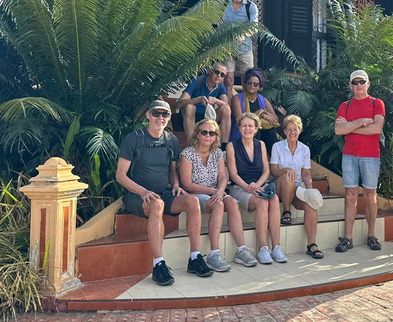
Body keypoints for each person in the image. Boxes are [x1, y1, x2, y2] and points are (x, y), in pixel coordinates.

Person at [115, 100, 213, 285]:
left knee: (192, 202)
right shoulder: (133, 139)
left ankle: (194, 258)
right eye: (156, 114)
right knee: (157, 205)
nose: (160, 118)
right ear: (148, 115)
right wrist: (143, 191)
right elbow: (120, 175)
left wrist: (176, 184)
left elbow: (172, 170)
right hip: (137, 196)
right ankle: (158, 264)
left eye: (165, 114)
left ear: (169, 117)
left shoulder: (171, 140)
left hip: (163, 193)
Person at [179, 118, 258, 272]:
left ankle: (241, 250)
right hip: (195, 194)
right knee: (219, 204)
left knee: (232, 203)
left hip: (215, 192)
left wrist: (221, 189)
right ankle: (214, 253)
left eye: (212, 133)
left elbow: (223, 177)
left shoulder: (216, 153)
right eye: (204, 132)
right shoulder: (188, 153)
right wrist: (213, 191)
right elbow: (187, 184)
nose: (208, 136)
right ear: (197, 135)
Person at [333, 70, 385, 253]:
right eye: (355, 82)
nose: (359, 85)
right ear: (350, 86)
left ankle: (371, 235)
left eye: (362, 82)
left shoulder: (376, 103)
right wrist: (362, 122)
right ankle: (347, 237)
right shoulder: (345, 105)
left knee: (371, 196)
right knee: (350, 196)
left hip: (371, 155)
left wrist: (350, 127)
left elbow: (377, 129)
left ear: (368, 84)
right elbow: (338, 130)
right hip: (349, 155)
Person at [226, 113, 287, 265]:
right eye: (244, 125)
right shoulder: (231, 146)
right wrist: (248, 187)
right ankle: (263, 248)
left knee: (273, 199)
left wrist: (258, 185)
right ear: (239, 128)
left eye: (250, 126)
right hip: (239, 187)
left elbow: (266, 171)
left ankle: (276, 246)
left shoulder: (261, 144)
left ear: (256, 128)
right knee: (262, 202)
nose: (247, 128)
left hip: (259, 185)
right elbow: (233, 174)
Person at [270, 115, 323, 259]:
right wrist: (287, 169)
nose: (292, 132)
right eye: (289, 129)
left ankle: (312, 244)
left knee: (311, 204)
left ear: (300, 130)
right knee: (289, 176)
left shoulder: (305, 149)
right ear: (285, 131)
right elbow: (273, 170)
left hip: (297, 189)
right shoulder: (277, 147)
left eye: (295, 129)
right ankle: (286, 212)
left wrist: (310, 189)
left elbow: (306, 173)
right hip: (280, 186)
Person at [177, 63, 231, 150]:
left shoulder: (220, 86)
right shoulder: (197, 81)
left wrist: (216, 101)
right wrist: (197, 99)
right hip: (191, 116)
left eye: (222, 75)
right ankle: (192, 145)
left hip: (208, 117)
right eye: (216, 72)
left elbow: (226, 104)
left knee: (226, 109)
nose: (219, 76)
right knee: (190, 107)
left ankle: (224, 147)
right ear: (210, 71)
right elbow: (179, 103)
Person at [223, 0, 258, 98]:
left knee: (248, 81)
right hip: (227, 48)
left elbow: (254, 26)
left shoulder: (251, 7)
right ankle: (229, 107)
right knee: (228, 80)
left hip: (244, 48)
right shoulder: (222, 4)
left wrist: (243, 35)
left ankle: (245, 109)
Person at [230, 69, 279, 154]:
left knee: (270, 133)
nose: (252, 85)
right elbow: (240, 120)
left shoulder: (264, 101)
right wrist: (256, 114)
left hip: (262, 133)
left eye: (256, 84)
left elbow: (276, 119)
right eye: (249, 83)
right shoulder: (237, 99)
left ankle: (275, 163)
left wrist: (264, 113)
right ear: (245, 84)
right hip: (243, 132)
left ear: (260, 87)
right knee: (256, 131)